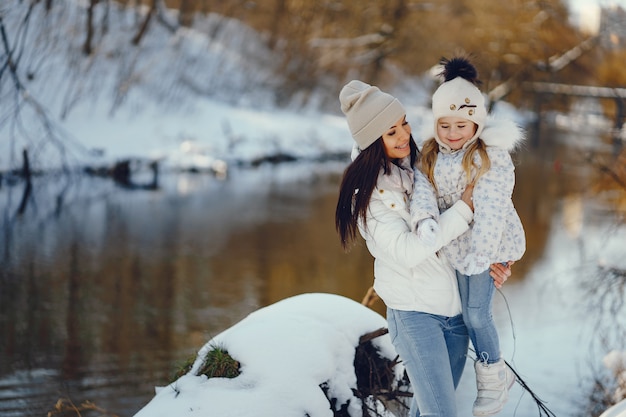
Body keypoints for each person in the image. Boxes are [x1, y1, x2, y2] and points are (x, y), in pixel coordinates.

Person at [335, 79, 511, 417]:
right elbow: (410, 251)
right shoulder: (372, 197)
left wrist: (494, 263)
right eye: (391, 132)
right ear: (373, 141)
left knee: (427, 411)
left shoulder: (423, 170)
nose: (404, 136)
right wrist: (463, 208)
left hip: (455, 314)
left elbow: (478, 226)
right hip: (415, 316)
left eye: (404, 124)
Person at [410, 56, 526, 416]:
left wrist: (483, 256)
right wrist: (425, 217)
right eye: (444, 124)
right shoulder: (432, 152)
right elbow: (423, 189)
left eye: (461, 124)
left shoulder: (488, 156)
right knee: (461, 315)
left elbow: (491, 210)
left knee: (476, 315)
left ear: (476, 122)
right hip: (455, 247)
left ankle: (493, 378)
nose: (452, 133)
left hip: (486, 247)